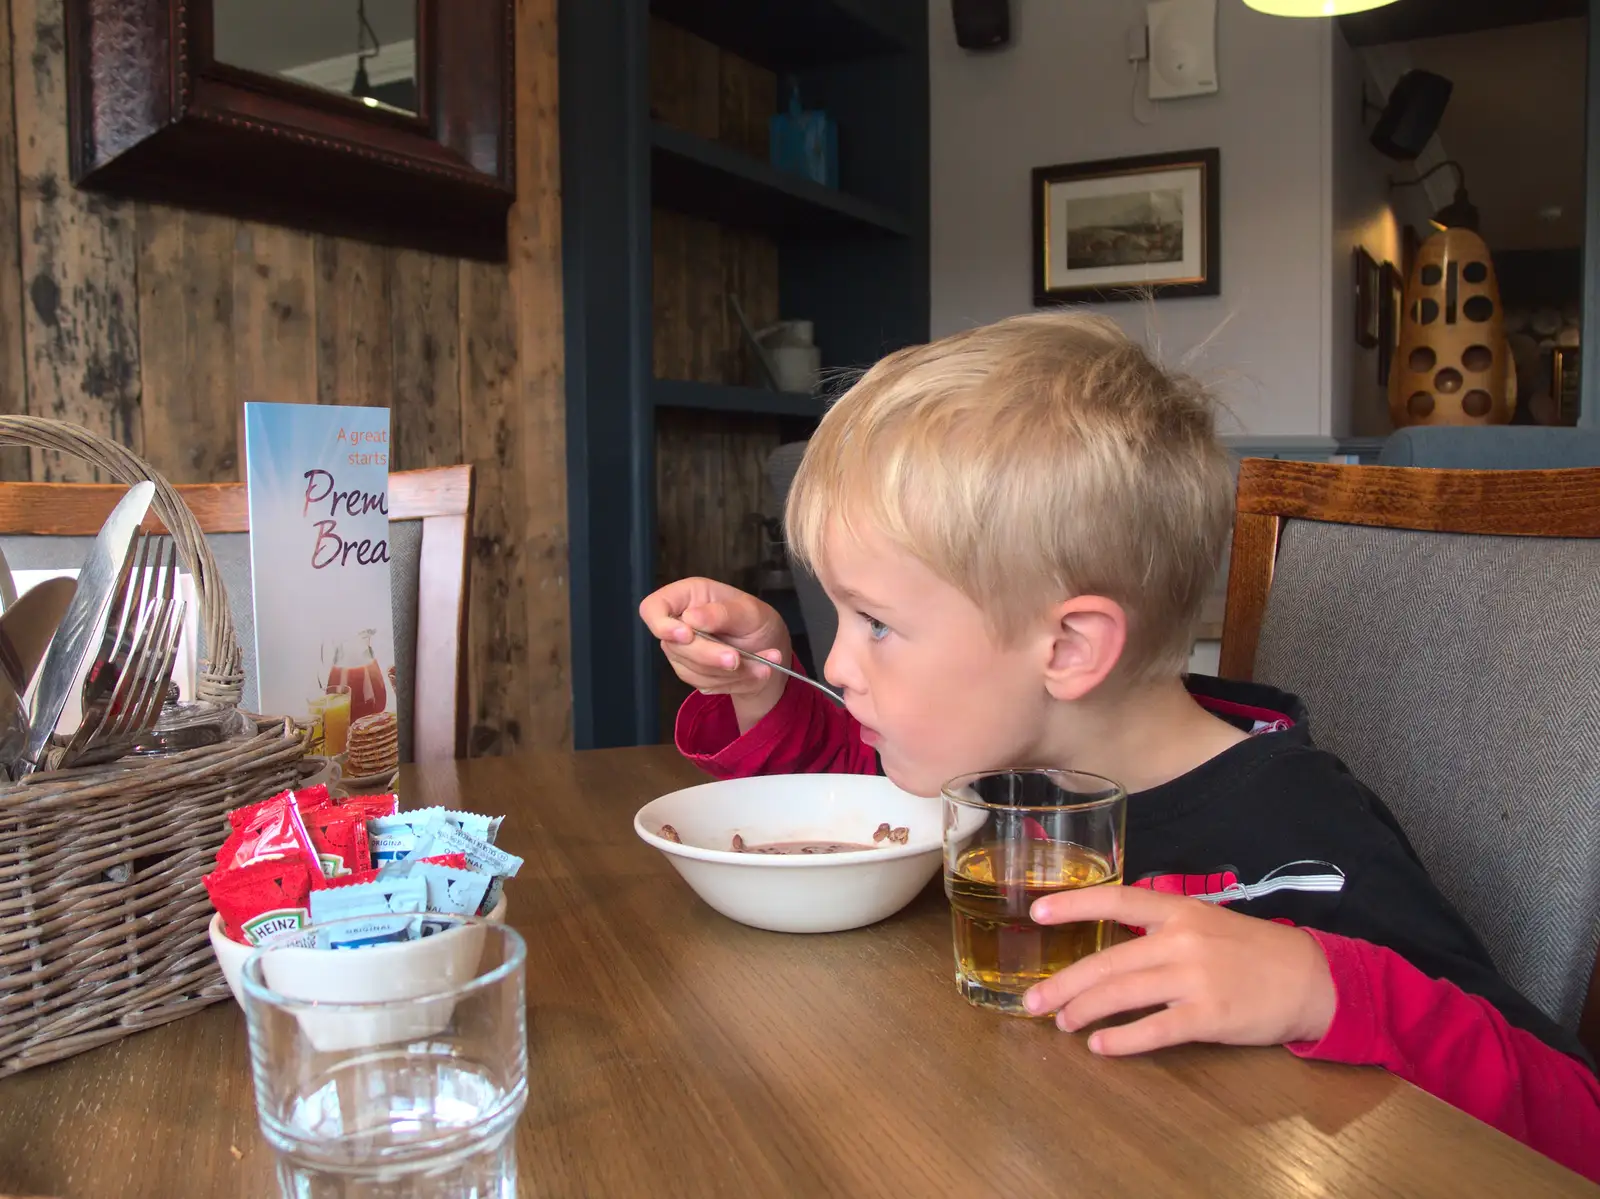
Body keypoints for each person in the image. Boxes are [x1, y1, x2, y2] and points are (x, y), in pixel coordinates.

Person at [639, 312, 1600, 1182]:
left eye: (877, 623)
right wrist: (766, 692)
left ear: (1066, 648)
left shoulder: (1302, 837)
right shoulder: (1007, 770)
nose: (838, 661)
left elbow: (1571, 1121)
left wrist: (1325, 987)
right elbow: (859, 812)